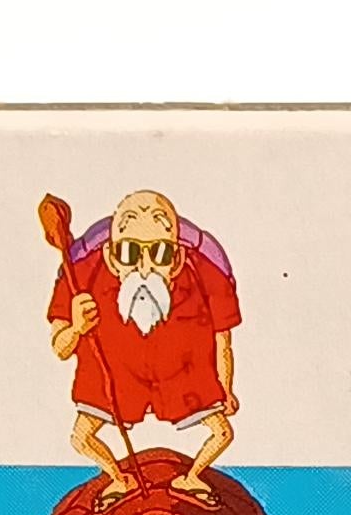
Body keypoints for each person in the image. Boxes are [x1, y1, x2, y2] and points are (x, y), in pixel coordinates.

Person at [48, 188, 240, 498]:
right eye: (130, 253)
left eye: (160, 253)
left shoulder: (205, 276)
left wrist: (226, 389)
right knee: (80, 438)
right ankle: (119, 479)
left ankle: (191, 478)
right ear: (112, 257)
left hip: (185, 380)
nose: (145, 267)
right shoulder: (82, 277)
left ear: (176, 259)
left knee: (223, 433)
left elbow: (223, 339)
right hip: (114, 381)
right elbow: (60, 348)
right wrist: (77, 328)